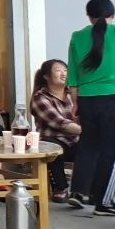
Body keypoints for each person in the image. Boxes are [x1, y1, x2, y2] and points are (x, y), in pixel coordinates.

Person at [67, 0, 115, 215]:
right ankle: (105, 202)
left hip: (86, 99)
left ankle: (79, 191)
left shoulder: (77, 37)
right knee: (113, 149)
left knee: (88, 145)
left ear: (89, 16)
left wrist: (75, 103)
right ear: (112, 14)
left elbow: (72, 76)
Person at [30, 59, 80, 202]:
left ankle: (80, 191)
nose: (63, 74)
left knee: (92, 147)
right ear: (46, 76)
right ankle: (60, 188)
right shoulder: (40, 98)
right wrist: (87, 130)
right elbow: (60, 123)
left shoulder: (73, 95)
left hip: (74, 140)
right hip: (53, 140)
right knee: (53, 147)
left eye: (66, 70)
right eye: (58, 70)